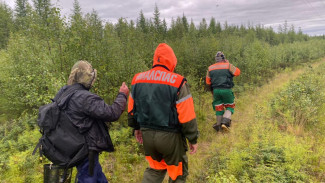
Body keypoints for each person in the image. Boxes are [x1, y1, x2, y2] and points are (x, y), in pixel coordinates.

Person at [128, 43, 199, 183]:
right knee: (177, 174)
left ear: (155, 59)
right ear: (172, 61)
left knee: (154, 170)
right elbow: (187, 115)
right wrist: (193, 138)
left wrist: (136, 128)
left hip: (147, 135)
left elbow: (131, 109)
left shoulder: (137, 79)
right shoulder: (178, 82)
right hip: (171, 138)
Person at [56, 60, 129, 183]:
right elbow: (112, 113)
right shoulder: (85, 97)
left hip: (70, 146)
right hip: (85, 149)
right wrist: (122, 95)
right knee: (89, 177)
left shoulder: (63, 93)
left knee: (97, 177)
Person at [206, 51, 240, 132]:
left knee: (218, 108)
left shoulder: (210, 68)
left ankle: (218, 126)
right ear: (223, 58)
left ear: (216, 59)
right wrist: (229, 64)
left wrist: (212, 91)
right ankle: (225, 122)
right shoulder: (228, 66)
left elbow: (208, 82)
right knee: (230, 106)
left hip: (216, 91)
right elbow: (238, 72)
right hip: (226, 90)